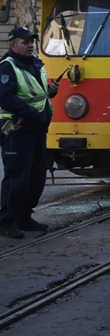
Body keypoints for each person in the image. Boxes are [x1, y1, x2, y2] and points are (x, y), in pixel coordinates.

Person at [0, 27, 60, 239]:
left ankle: (24, 216)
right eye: (25, 42)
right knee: (17, 177)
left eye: (32, 42)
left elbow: (37, 94)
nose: (31, 45)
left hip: (36, 130)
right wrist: (31, 113)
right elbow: (5, 97)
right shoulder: (7, 67)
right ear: (13, 44)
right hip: (18, 130)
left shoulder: (35, 64)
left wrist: (50, 92)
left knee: (36, 178)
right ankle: (6, 220)